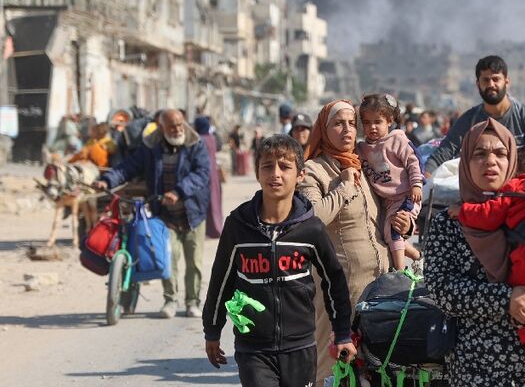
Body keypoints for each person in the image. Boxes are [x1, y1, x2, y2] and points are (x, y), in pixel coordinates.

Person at [424, 118, 525, 386]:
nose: (490, 161)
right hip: (478, 368)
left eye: (500, 153)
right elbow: (441, 288)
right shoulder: (450, 222)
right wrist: (506, 299)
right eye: (479, 153)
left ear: (512, 159)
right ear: (465, 161)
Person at [202, 135, 356, 386]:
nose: (275, 174)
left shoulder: (311, 228)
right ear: (258, 173)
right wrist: (212, 329)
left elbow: (334, 281)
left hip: (301, 347)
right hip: (253, 347)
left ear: (300, 175)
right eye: (267, 166)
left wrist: (342, 333)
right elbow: (221, 281)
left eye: (285, 167)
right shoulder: (238, 226)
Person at [297, 99, 412, 383]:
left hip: (378, 287)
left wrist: (405, 224)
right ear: (324, 129)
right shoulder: (314, 171)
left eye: (351, 123)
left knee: (375, 368)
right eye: (338, 123)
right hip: (339, 292)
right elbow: (314, 218)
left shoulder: (367, 165)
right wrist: (345, 185)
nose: (347, 129)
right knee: (333, 366)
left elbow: (387, 209)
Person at [96, 109, 211, 319]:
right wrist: (107, 180)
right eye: (172, 127)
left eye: (180, 125)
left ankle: (193, 301)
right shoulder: (150, 148)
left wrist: (178, 191)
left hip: (193, 213)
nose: (177, 130)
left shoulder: (195, 144)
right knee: (170, 259)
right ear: (161, 127)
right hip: (165, 215)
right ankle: (170, 300)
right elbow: (128, 168)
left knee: (194, 262)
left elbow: (202, 174)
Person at [424, 55, 525, 177]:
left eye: (496, 79)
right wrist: (425, 182)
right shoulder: (469, 120)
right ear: (478, 84)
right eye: (485, 80)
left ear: (506, 82)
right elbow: (441, 155)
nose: (491, 84)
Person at [356, 93, 423, 270]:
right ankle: (417, 256)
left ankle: (400, 273)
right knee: (387, 235)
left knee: (394, 230)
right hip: (387, 201)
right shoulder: (362, 149)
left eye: (377, 122)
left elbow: (414, 161)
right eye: (367, 122)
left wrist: (416, 185)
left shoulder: (397, 140)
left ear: (389, 121)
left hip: (406, 196)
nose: (372, 127)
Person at [194, 116, 224, 238]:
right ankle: (217, 227)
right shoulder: (212, 138)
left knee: (207, 202)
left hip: (204, 173)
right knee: (215, 200)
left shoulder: (200, 139)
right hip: (214, 174)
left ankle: (211, 230)